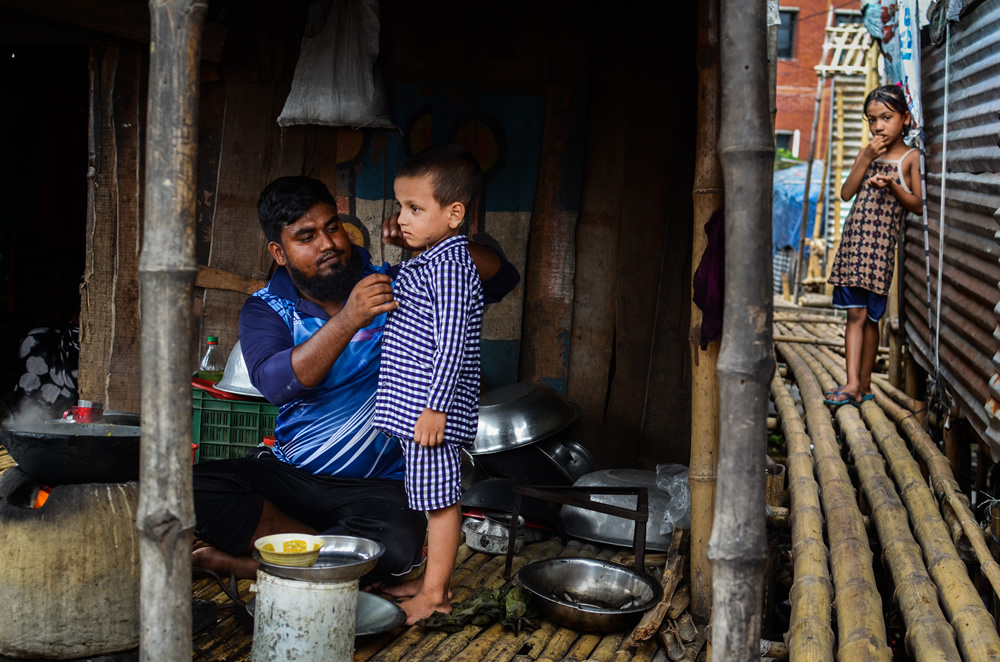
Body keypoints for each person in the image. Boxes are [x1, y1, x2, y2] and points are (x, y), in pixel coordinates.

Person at [191, 175, 518, 586]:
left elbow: (500, 277)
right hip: (292, 475)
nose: (327, 243)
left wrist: (433, 239)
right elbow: (278, 385)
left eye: (332, 228)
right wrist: (350, 318)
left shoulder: (400, 282)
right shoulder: (267, 308)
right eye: (306, 236)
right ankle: (342, 561)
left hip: (378, 487)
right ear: (279, 252)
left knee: (396, 548)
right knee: (190, 489)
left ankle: (261, 565)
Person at [372, 145, 483, 624]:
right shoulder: (430, 260)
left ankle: (435, 593)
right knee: (426, 496)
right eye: (401, 207)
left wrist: (435, 408)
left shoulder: (454, 268)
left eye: (415, 209)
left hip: (429, 411)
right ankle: (429, 579)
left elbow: (452, 343)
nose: (402, 219)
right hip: (416, 410)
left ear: (454, 214)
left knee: (440, 502)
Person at [825, 85, 922, 407]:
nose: (878, 126)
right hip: (855, 245)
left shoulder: (911, 158)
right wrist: (866, 157)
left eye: (886, 117)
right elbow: (846, 192)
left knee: (870, 318)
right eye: (872, 120)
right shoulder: (869, 153)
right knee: (855, 313)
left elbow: (918, 204)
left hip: (879, 251)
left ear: (905, 119)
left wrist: (892, 184)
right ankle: (852, 383)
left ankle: (863, 384)